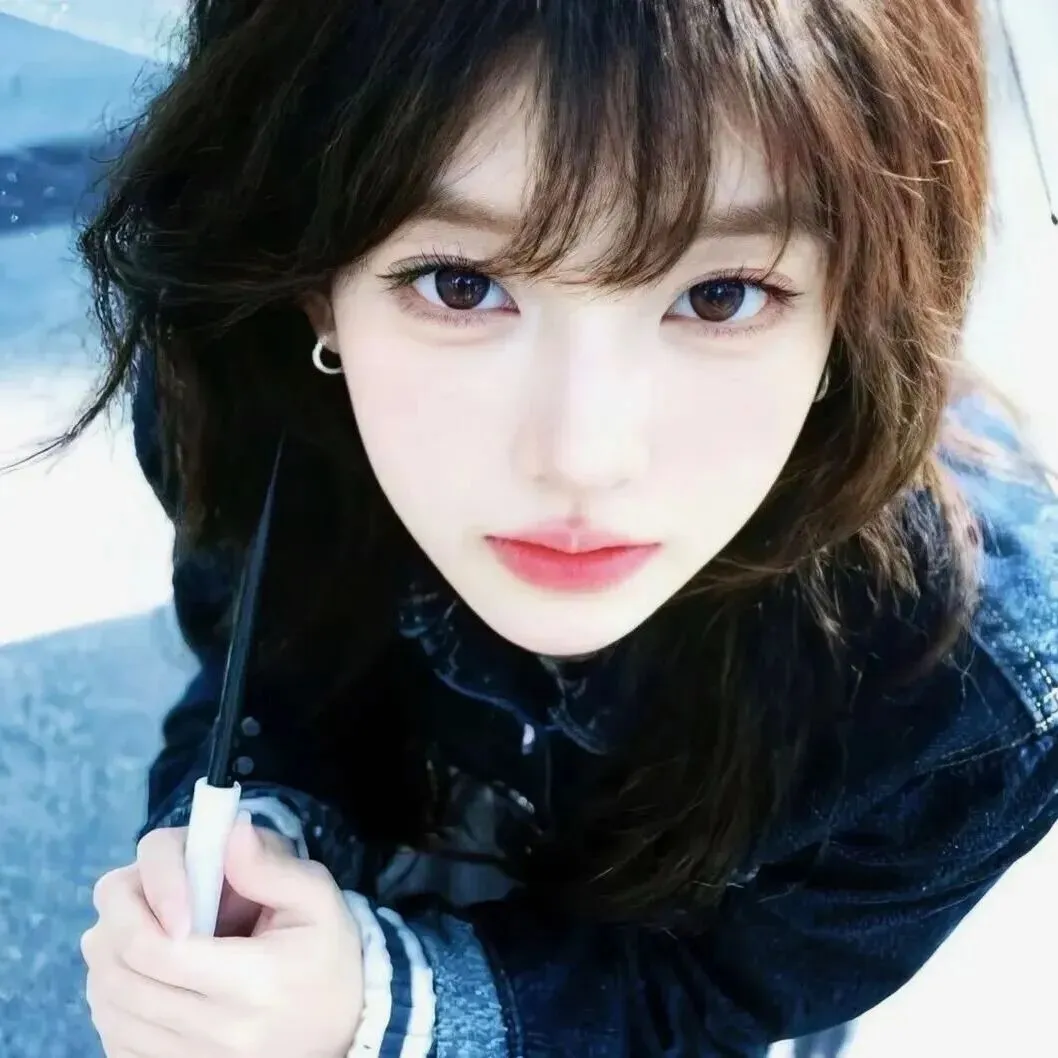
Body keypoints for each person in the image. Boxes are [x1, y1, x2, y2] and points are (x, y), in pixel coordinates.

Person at [72, 1, 1058, 1056]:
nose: (583, 456)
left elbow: (714, 991)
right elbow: (266, 666)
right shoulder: (252, 425)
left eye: (721, 296)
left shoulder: (964, 690)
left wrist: (377, 1004)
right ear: (317, 289)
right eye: (461, 285)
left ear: (854, 306)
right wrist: (249, 847)